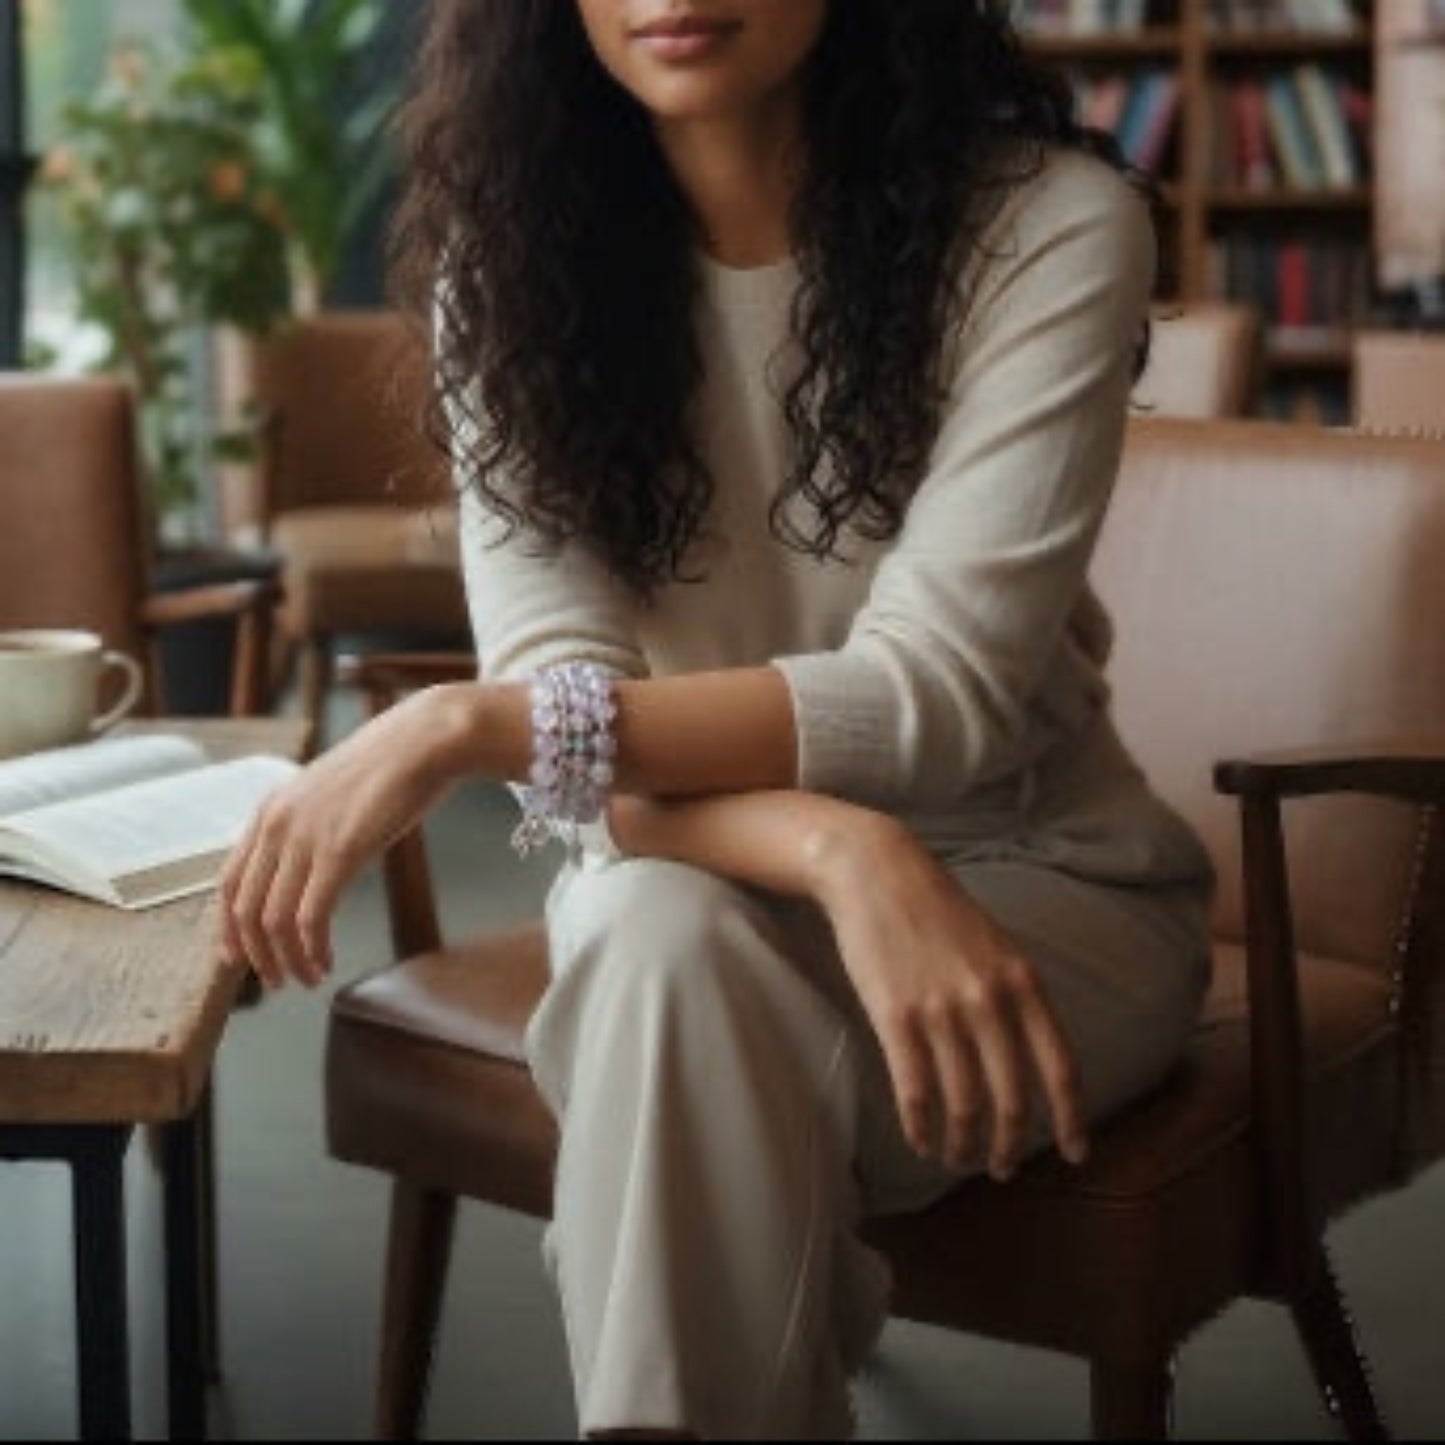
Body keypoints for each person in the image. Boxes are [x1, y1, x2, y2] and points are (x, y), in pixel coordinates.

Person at [216, 1, 1216, 1437]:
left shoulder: (1049, 226)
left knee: (659, 987)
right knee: (654, 936)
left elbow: (931, 697)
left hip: (1038, 884)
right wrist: (837, 849)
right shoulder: (511, 261)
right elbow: (575, 735)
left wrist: (461, 727)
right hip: (689, 865)